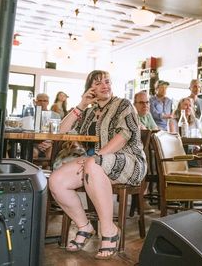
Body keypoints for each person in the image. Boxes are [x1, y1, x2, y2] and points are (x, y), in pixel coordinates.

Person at [48, 70, 146, 260]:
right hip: (96, 164)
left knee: (92, 163)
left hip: (129, 161)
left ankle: (109, 231)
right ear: (89, 88)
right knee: (56, 180)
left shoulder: (123, 105)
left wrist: (97, 156)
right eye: (98, 83)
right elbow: (61, 131)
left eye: (107, 82)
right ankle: (84, 227)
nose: (105, 86)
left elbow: (124, 136)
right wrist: (82, 104)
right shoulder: (90, 112)